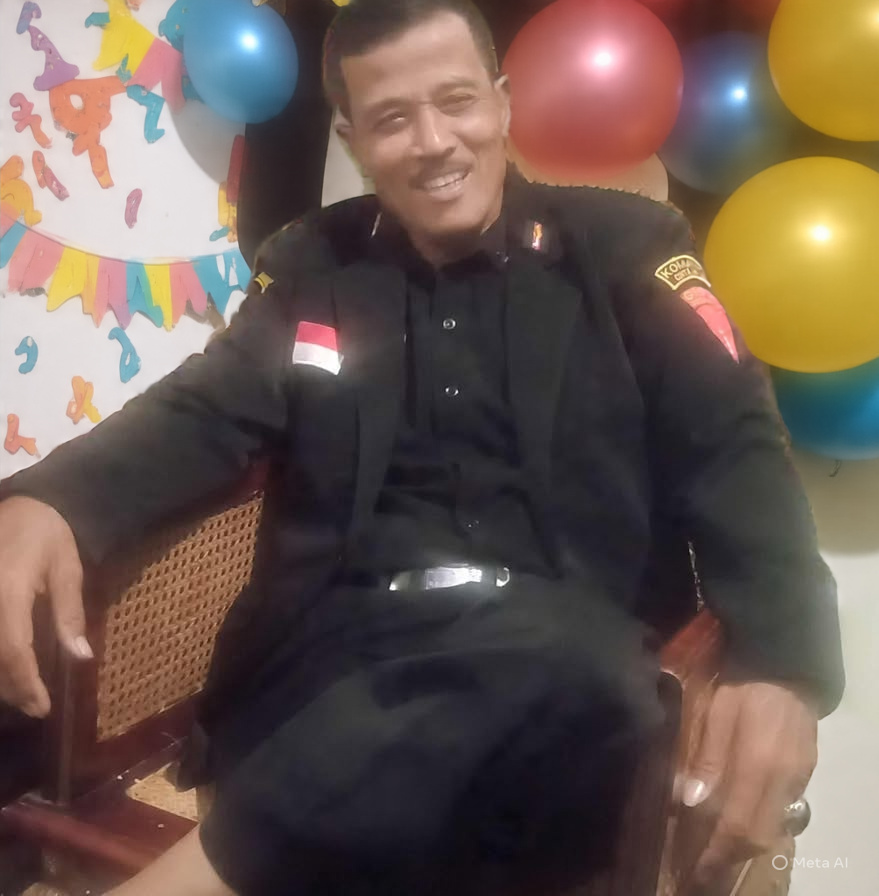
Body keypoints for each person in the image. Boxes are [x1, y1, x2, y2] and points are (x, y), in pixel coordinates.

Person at [0, 1, 844, 894]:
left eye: (456, 101)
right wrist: (52, 498)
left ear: (502, 101)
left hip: (568, 687)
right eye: (393, 118)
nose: (434, 142)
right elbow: (200, 411)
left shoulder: (625, 250)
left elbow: (734, 445)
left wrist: (783, 667)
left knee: (562, 651)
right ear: (353, 139)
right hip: (341, 661)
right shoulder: (313, 268)